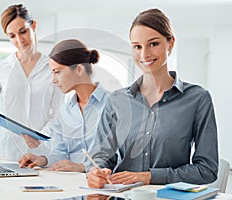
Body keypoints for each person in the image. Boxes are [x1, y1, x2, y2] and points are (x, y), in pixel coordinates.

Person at [87, 8, 218, 188]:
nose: (144, 54)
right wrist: (96, 172)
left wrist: (150, 177)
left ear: (170, 43)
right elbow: (101, 157)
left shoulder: (197, 99)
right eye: (137, 46)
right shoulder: (117, 101)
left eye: (153, 44)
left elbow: (207, 170)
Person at [0, 4, 62, 161]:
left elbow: (57, 113)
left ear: (33, 26)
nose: (19, 40)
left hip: (41, 153)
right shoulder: (1, 68)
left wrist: (42, 136)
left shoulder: (53, 68)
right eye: (12, 36)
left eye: (23, 31)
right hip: (6, 151)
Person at [18, 39, 109, 172]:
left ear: (79, 69)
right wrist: (42, 160)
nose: (53, 80)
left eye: (57, 72)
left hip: (105, 184)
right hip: (71, 185)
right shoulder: (65, 111)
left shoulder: (114, 104)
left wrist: (82, 167)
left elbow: (120, 156)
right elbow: (61, 154)